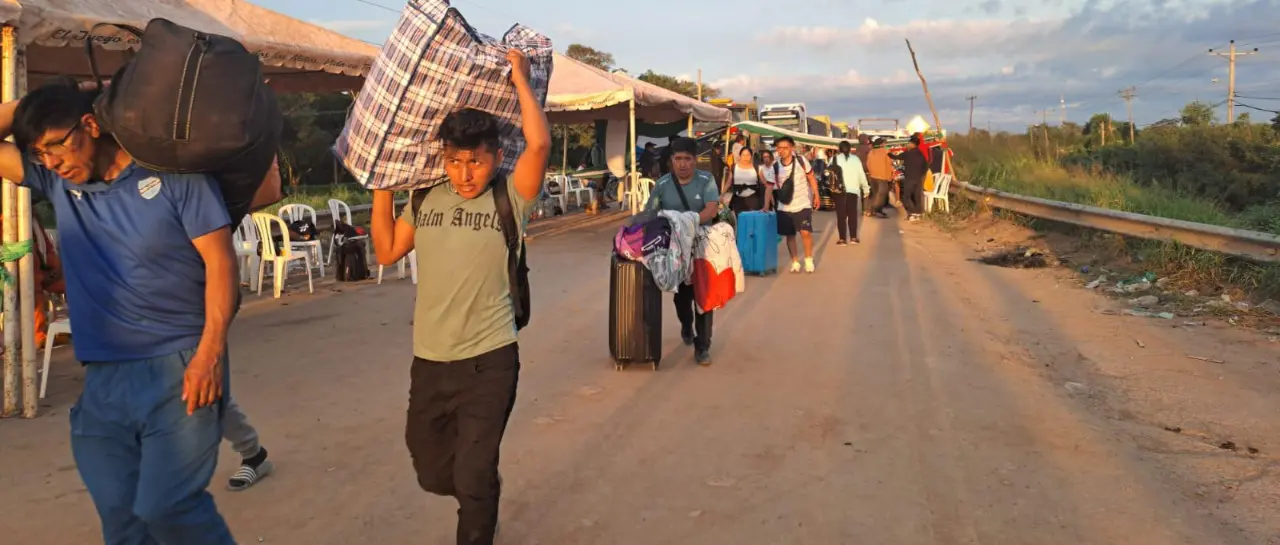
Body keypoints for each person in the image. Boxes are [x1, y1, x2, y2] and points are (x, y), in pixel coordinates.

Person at [0, 79, 237, 544]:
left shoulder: (175, 177)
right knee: (122, 519)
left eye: (55, 147)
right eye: (39, 153)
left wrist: (209, 354)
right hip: (104, 375)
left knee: (169, 506)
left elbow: (221, 262)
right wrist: (42, 100)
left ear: (90, 125)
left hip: (179, 364)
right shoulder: (55, 181)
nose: (50, 162)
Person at [369, 48, 549, 545]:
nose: (465, 173)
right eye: (454, 162)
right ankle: (481, 488)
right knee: (432, 472)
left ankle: (478, 499)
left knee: (471, 477)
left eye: (475, 161)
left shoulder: (509, 197)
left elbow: (538, 143)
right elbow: (386, 251)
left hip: (489, 361)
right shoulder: (425, 199)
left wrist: (520, 81)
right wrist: (383, 185)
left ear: (494, 159)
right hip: (429, 362)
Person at [644, 137, 719, 365]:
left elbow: (711, 209)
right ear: (671, 162)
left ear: (695, 161)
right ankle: (687, 325)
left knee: (704, 298)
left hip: (701, 247)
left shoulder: (707, 180)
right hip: (675, 252)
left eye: (687, 159)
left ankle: (703, 346)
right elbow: (651, 211)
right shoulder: (662, 185)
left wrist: (691, 221)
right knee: (682, 299)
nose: (683, 164)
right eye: (678, 159)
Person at [772, 136, 820, 273]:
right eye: (779, 148)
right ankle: (795, 261)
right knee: (790, 235)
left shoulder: (801, 161)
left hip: (803, 203)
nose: (782, 151)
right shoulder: (775, 166)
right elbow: (771, 187)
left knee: (805, 232)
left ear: (791, 148)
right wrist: (766, 205)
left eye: (785, 148)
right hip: (785, 206)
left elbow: (811, 177)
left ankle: (808, 259)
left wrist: (816, 195)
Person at [831, 140, 870, 245]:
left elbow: (829, 174)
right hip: (853, 191)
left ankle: (842, 239)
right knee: (852, 214)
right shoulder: (855, 159)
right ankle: (853, 238)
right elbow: (861, 174)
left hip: (839, 191)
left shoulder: (834, 159)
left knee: (841, 215)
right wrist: (866, 188)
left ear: (839, 149)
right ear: (849, 148)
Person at [891, 133, 930, 222]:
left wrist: (888, 154)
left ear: (913, 144)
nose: (907, 144)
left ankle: (912, 214)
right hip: (918, 179)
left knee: (906, 197)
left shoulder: (908, 153)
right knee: (917, 196)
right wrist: (920, 174)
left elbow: (896, 157)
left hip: (910, 179)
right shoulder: (921, 154)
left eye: (909, 143)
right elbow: (925, 167)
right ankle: (918, 213)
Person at [722, 146, 770, 213]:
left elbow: (767, 185)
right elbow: (728, 183)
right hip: (738, 201)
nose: (745, 157)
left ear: (751, 156)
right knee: (740, 221)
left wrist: (768, 202)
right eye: (743, 155)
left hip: (753, 201)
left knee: (751, 221)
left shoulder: (757, 168)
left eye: (748, 155)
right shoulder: (734, 168)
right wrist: (721, 195)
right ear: (740, 155)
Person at [865, 137, 895, 219]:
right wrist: (890, 176)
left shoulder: (871, 152)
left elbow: (868, 164)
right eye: (884, 143)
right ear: (881, 144)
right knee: (882, 195)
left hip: (873, 176)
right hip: (882, 177)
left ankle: (869, 210)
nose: (885, 144)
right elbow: (889, 164)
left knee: (874, 194)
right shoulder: (886, 151)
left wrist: (872, 172)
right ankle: (878, 210)